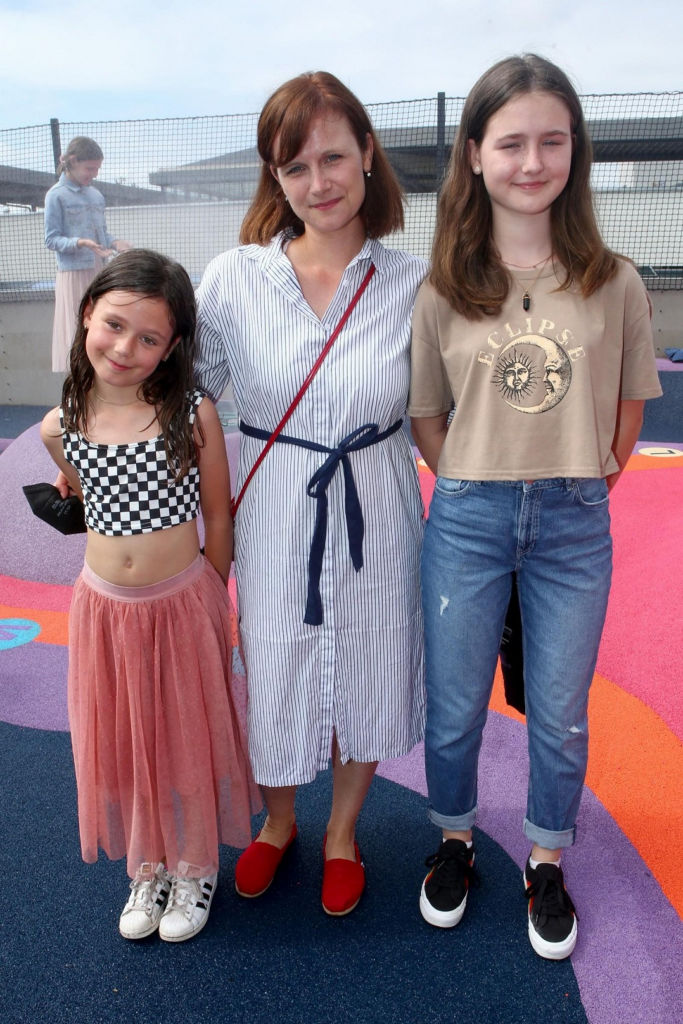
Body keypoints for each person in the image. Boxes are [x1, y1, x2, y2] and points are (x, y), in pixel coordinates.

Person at [408, 54, 662, 959]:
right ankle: (454, 839)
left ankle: (545, 857)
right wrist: (472, 477)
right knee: (453, 707)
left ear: (574, 152)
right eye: (510, 142)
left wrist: (584, 479)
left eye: (551, 141)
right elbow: (427, 416)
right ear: (474, 153)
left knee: (558, 711)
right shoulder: (442, 285)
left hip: (571, 524)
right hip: (467, 519)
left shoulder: (613, 280)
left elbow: (629, 406)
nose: (531, 161)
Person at [195, 71, 427, 916]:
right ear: (275, 178)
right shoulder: (233, 279)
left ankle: (341, 833)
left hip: (377, 503)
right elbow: (183, 396)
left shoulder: (415, 283)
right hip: (274, 509)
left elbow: (447, 410)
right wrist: (79, 438)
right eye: (294, 167)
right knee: (275, 662)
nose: (317, 182)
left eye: (332, 157)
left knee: (370, 660)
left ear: (366, 153)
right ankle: (278, 822)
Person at [41, 249, 260, 943]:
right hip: (105, 611)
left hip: (183, 603)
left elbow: (218, 515)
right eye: (114, 325)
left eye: (148, 338)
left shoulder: (192, 413)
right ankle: (149, 865)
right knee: (128, 740)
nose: (124, 347)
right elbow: (87, 495)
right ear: (87, 315)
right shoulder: (60, 424)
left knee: (186, 738)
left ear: (172, 348)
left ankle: (194, 865)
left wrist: (212, 600)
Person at [44, 136, 131, 373]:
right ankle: (78, 382)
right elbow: (51, 239)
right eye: (90, 168)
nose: (94, 174)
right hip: (73, 273)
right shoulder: (56, 195)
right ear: (73, 161)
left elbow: (101, 234)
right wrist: (80, 243)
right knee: (78, 328)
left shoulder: (96, 195)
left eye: (97, 169)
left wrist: (115, 242)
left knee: (101, 325)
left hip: (98, 270)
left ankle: (100, 378)